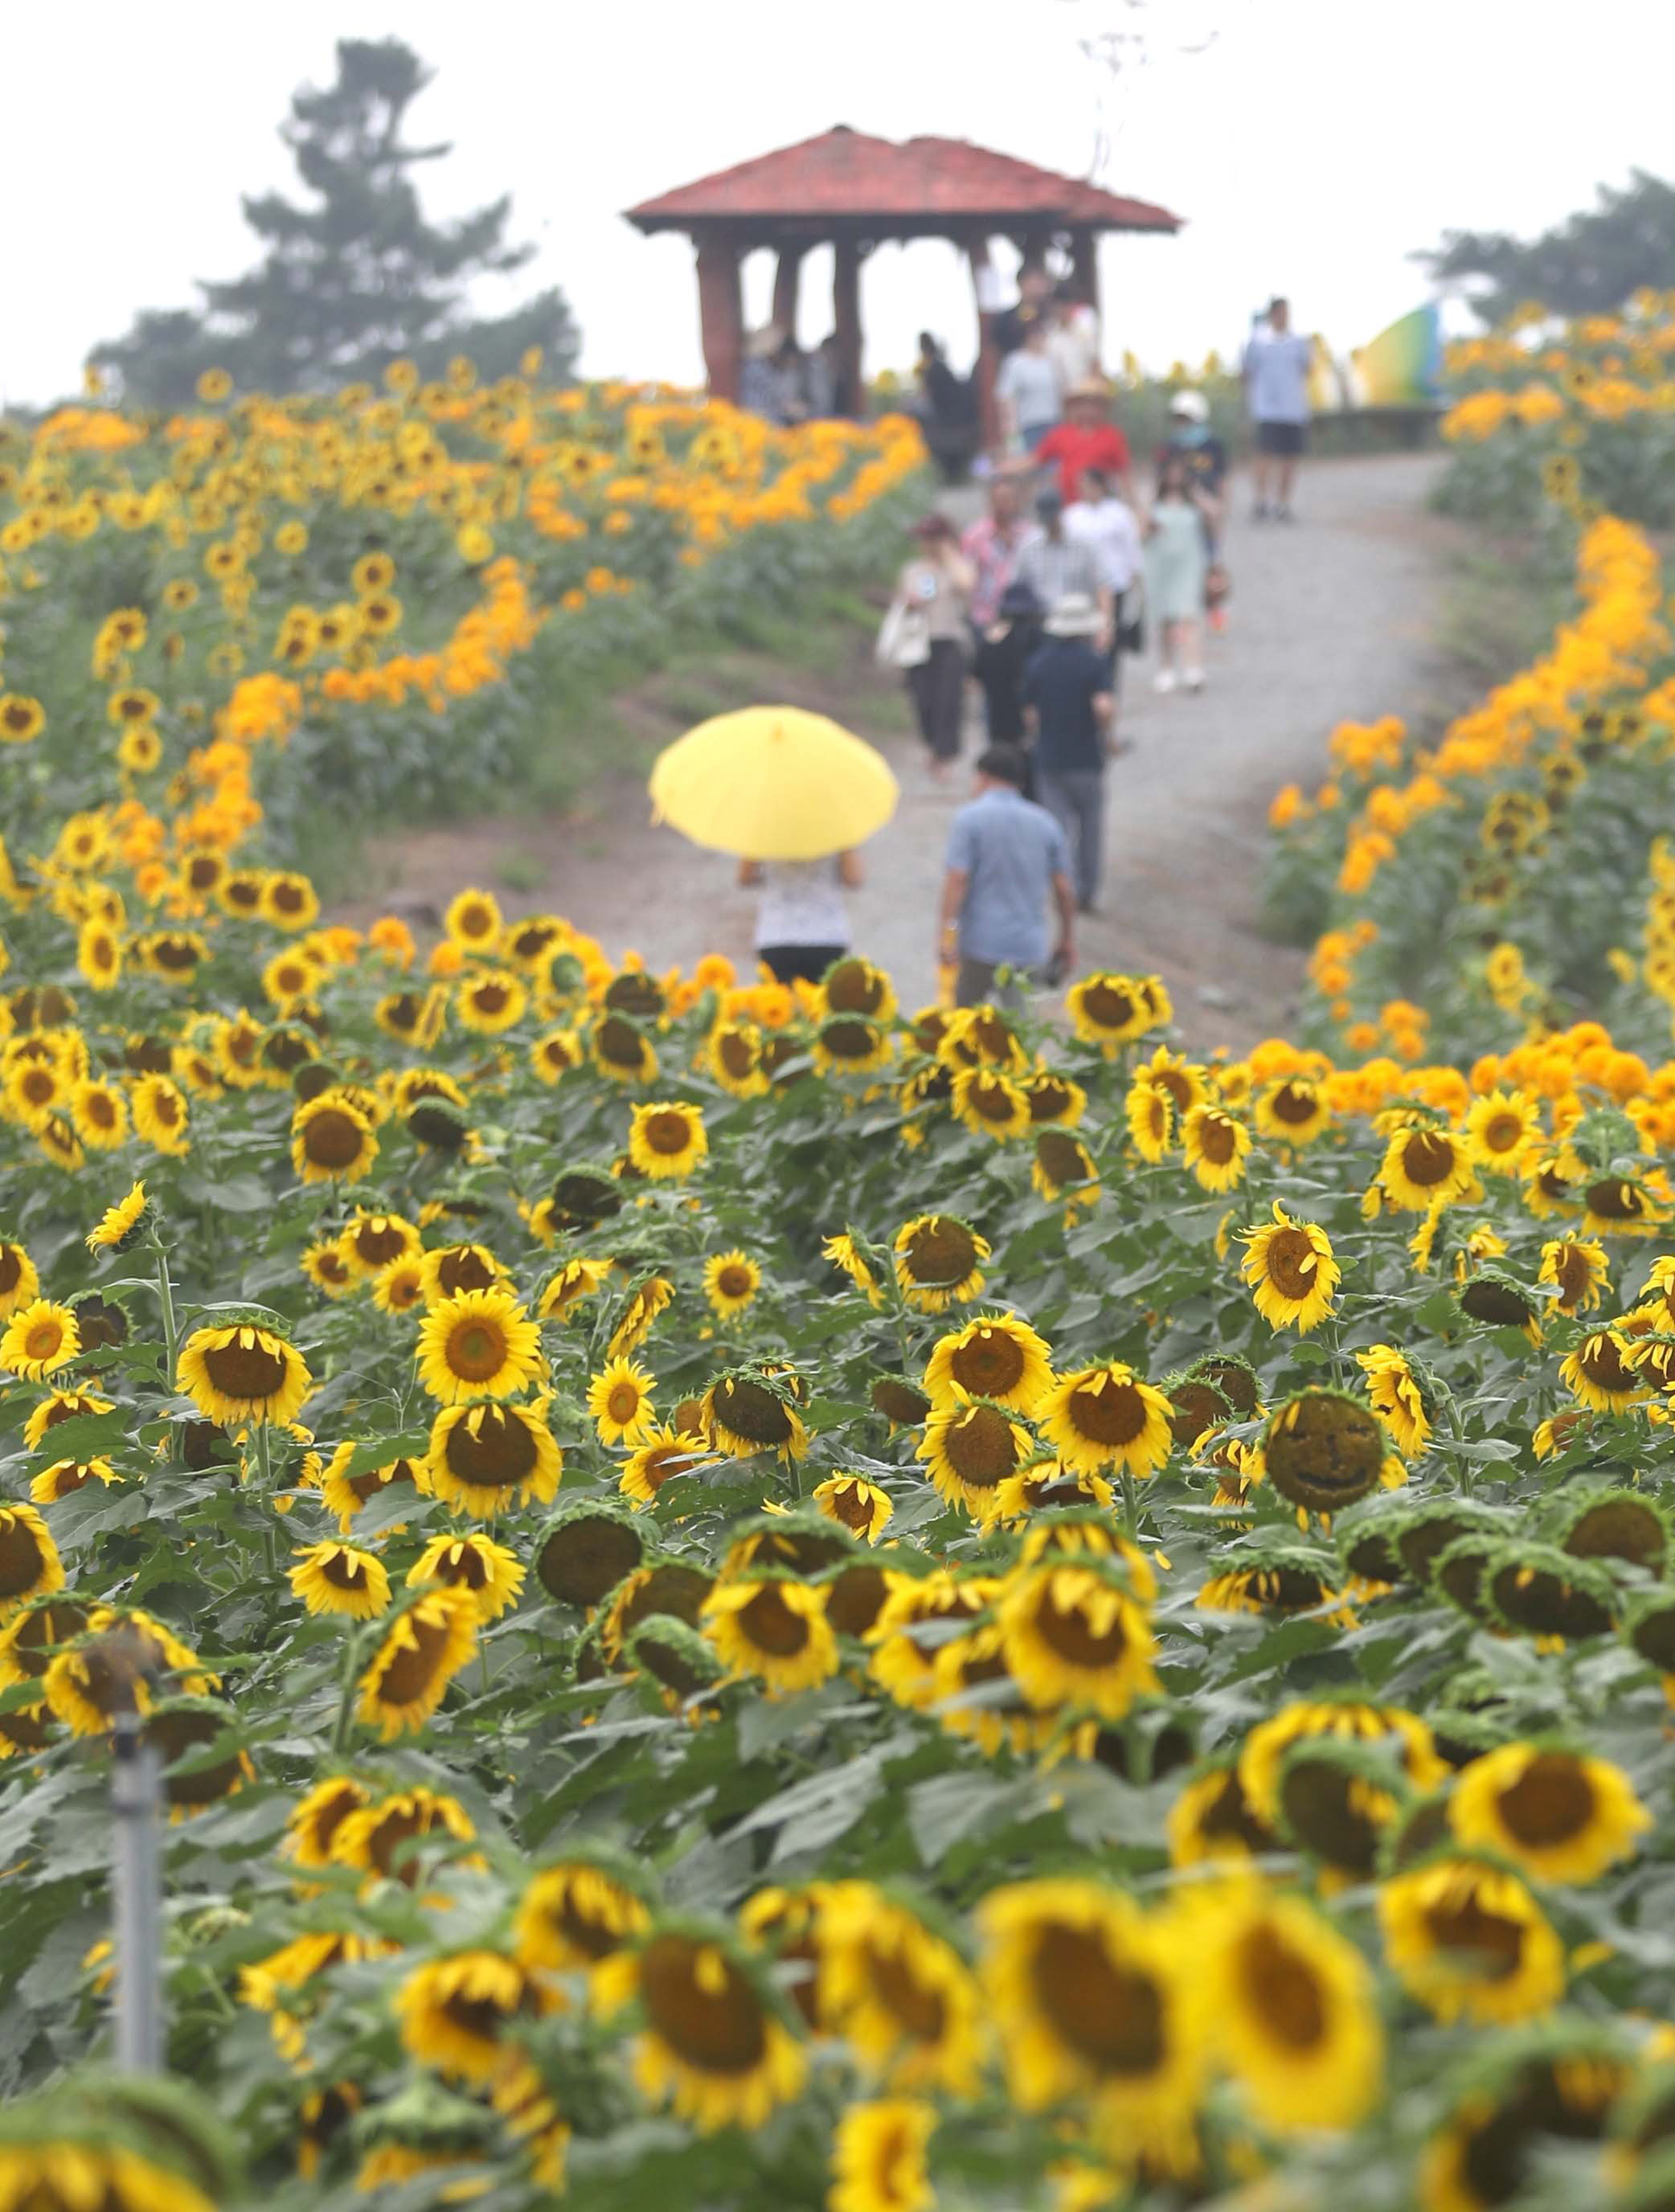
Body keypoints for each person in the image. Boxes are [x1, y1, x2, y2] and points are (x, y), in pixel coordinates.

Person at [938, 745, 1076, 1006]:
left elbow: (957, 879)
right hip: (1027, 947)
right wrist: (1067, 939)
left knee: (964, 1028)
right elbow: (1064, 889)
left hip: (980, 943)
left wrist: (947, 935)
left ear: (983, 776)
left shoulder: (969, 819)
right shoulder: (1047, 823)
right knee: (1020, 1031)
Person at [1021, 594, 1116, 913]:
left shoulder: (1037, 663)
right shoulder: (1094, 662)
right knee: (1090, 830)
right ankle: (1086, 892)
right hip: (1086, 759)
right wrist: (1107, 736)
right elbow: (1103, 706)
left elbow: (1030, 715)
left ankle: (1062, 889)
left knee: (1057, 830)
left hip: (1049, 760)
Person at [890, 513, 975, 775]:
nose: (926, 544)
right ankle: (932, 746)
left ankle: (945, 756)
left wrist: (948, 554)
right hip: (920, 643)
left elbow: (966, 584)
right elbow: (911, 600)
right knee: (924, 699)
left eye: (932, 538)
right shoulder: (914, 570)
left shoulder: (957, 567)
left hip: (949, 640)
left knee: (948, 700)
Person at [1145, 450, 1219, 694]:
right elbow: (1140, 531)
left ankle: (1193, 666)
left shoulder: (1193, 501)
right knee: (1164, 616)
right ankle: (1166, 668)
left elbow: (1215, 515)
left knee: (1190, 614)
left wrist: (1195, 492)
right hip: (1160, 564)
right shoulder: (1153, 500)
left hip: (1189, 562)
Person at [1063, 465, 1141, 679]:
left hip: (1115, 583)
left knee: (1110, 637)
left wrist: (1134, 576)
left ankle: (1108, 682)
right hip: (1082, 587)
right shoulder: (1072, 516)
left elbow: (1131, 547)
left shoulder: (1118, 513)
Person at [738, 853, 861, 985]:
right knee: (822, 1001)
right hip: (825, 934)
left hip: (777, 933)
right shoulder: (836, 833)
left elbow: (745, 878)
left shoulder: (764, 833)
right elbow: (854, 878)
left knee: (778, 1001)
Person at [1242, 297, 1312, 519]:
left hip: (1293, 410)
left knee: (1289, 458)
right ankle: (1261, 501)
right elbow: (1245, 372)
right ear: (1272, 314)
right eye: (1281, 312)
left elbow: (1307, 369)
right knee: (1264, 455)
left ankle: (1283, 503)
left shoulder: (1298, 342)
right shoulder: (1257, 342)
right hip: (1267, 410)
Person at [1017, 489, 1108, 647]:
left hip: (1080, 624)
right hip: (1043, 624)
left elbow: (1102, 585)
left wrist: (1106, 625)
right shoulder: (1029, 547)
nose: (1050, 523)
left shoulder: (1084, 544)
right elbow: (1019, 587)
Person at [1034, 379, 1136, 508]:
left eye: (1093, 404)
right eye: (1082, 403)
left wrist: (1135, 507)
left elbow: (1124, 474)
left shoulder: (1112, 436)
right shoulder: (1060, 433)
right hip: (1069, 506)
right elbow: (1036, 459)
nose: (1087, 408)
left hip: (1102, 506)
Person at [960, 470, 1042, 631]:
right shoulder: (975, 536)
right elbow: (967, 578)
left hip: (1025, 617)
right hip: (987, 617)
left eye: (1009, 499)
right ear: (991, 501)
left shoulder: (1031, 535)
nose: (1004, 505)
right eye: (1000, 499)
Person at [971, 580, 1044, 748]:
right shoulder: (1038, 638)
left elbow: (975, 679)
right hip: (1031, 719)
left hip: (997, 720)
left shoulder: (990, 640)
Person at [995, 319, 1063, 458]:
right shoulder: (1015, 362)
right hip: (1028, 426)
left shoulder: (1052, 360)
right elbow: (1006, 398)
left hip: (1054, 423)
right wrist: (1010, 435)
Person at [739, 327, 806, 426]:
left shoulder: (781, 372)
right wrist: (787, 408)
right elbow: (758, 409)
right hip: (759, 425)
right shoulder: (755, 369)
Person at [1048, 283, 1101, 391]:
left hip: (1088, 389)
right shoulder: (1052, 335)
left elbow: (1094, 359)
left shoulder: (1086, 321)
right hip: (1065, 394)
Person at [994, 264, 1053, 358]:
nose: (1039, 288)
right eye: (1035, 282)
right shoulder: (1006, 320)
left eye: (1042, 282)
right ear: (1021, 283)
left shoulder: (1051, 316)